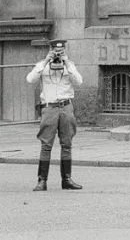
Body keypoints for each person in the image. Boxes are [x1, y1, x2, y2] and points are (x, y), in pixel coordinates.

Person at [26, 39, 83, 191]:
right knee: (46, 145)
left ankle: (67, 179)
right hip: (49, 107)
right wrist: (46, 61)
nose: (58, 53)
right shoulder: (43, 65)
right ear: (50, 49)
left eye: (61, 50)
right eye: (55, 50)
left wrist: (67, 63)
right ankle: (42, 180)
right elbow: (30, 79)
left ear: (65, 50)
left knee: (67, 144)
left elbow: (79, 82)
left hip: (66, 106)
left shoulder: (69, 65)